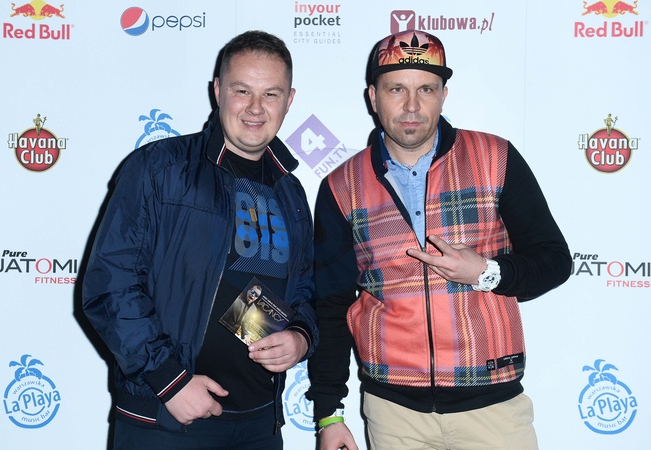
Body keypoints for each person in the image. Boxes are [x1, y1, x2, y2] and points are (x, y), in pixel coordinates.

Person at [306, 29, 570, 450]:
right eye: (396, 89)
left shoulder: (495, 158)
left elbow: (555, 261)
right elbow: (331, 306)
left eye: (426, 89)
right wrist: (328, 413)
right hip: (394, 414)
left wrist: (486, 272)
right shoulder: (342, 186)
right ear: (373, 97)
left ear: (443, 95)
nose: (412, 106)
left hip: (493, 409)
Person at [82, 30, 318, 450]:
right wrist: (169, 382)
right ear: (218, 90)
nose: (256, 108)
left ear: (289, 100)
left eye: (271, 94)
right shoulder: (160, 168)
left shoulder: (290, 191)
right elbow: (111, 285)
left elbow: (303, 290)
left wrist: (300, 335)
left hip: (259, 424)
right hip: (166, 419)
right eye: (242, 91)